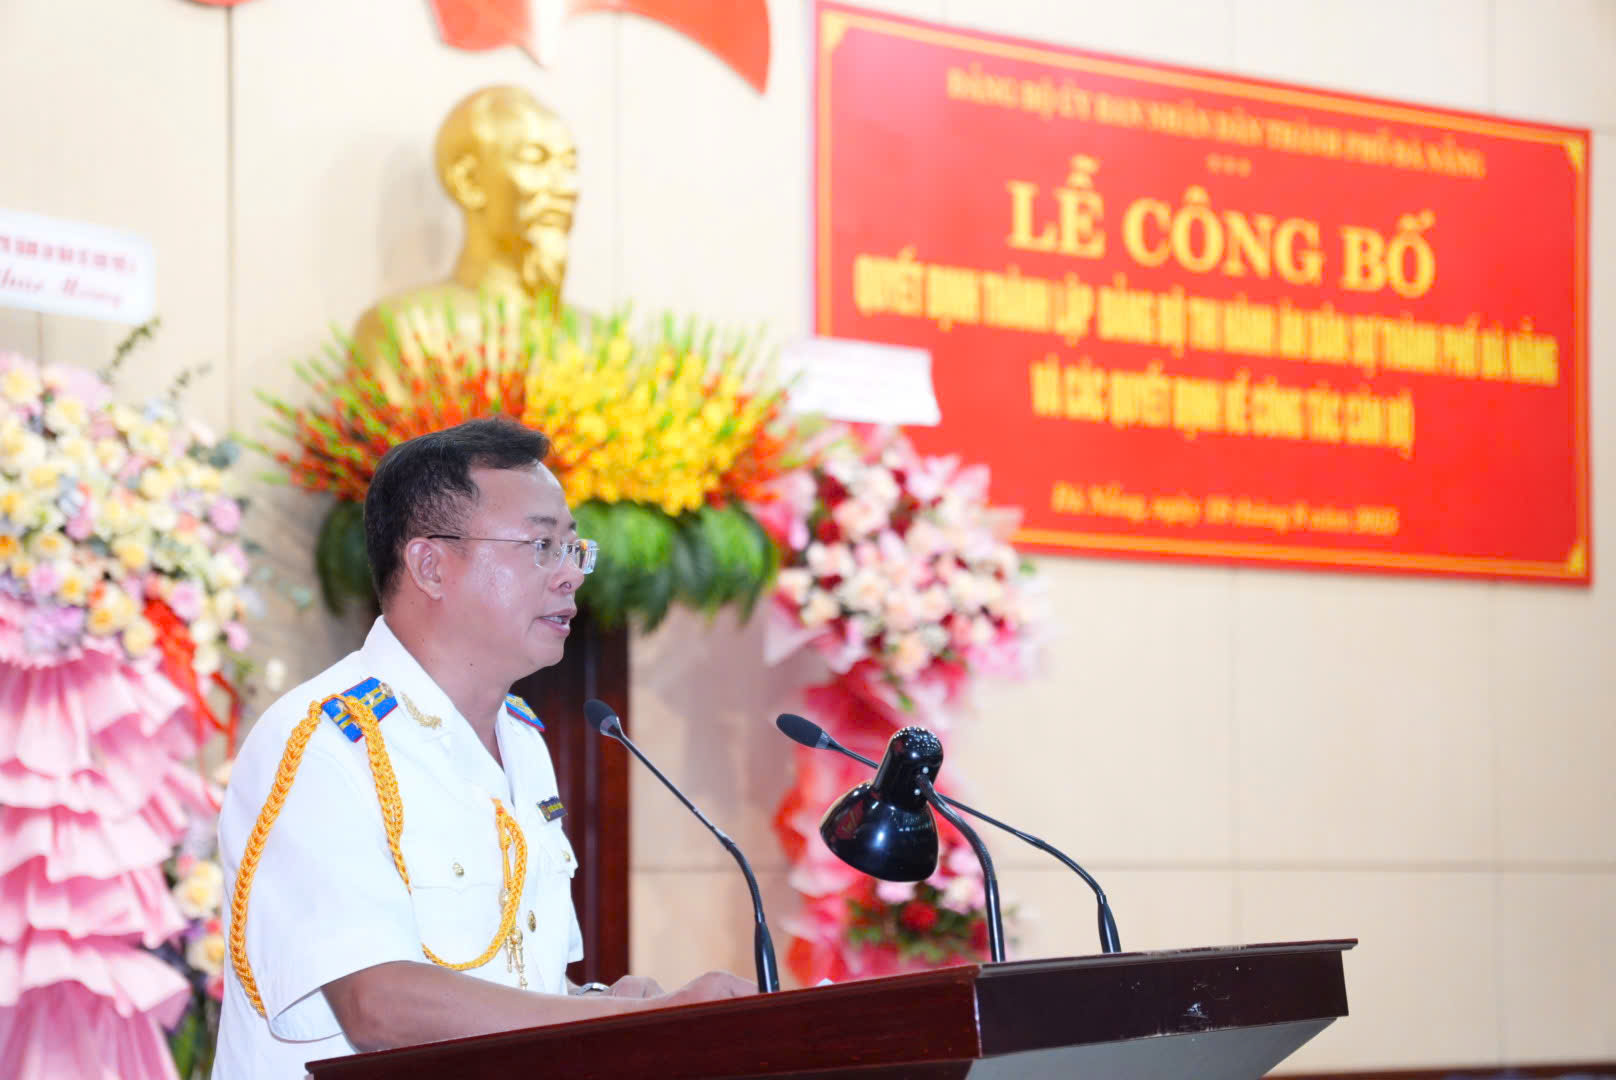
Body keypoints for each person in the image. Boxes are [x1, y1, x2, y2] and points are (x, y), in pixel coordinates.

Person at [212, 418, 752, 1079]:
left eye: (574, 548)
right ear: (431, 566)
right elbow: (377, 1004)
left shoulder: (520, 741)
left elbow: (507, 987)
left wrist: (597, 1002)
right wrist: (634, 1024)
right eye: (542, 546)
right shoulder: (323, 743)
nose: (570, 575)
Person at [351, 85, 580, 366]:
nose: (568, 188)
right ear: (467, 181)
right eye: (534, 159)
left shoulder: (597, 340)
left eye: (569, 164)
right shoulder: (410, 331)